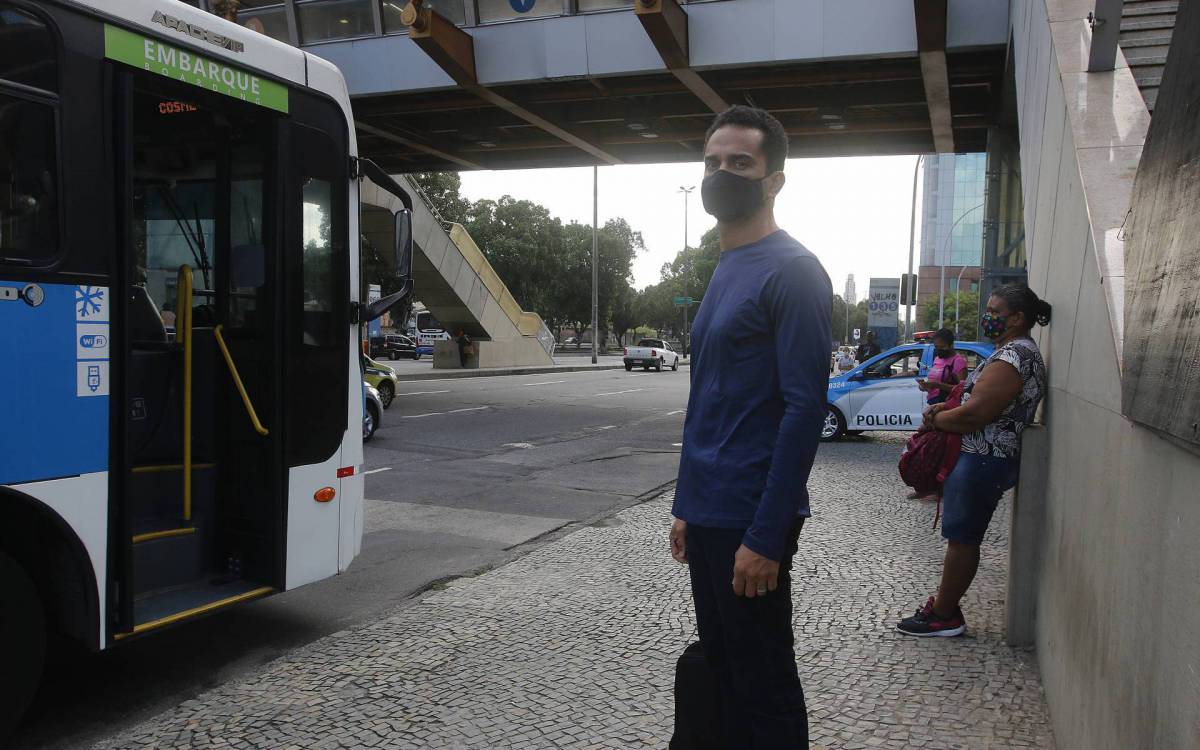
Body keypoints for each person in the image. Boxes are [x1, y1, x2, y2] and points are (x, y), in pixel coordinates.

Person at [669, 105, 831, 747]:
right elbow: (706, 397)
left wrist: (766, 535)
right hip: (708, 512)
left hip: (750, 520)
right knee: (723, 671)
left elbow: (803, 410)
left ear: (774, 180)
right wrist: (686, 503)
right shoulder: (724, 267)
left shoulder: (792, 270)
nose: (722, 173)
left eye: (741, 163)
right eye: (712, 162)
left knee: (764, 684)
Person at [896, 284, 1050, 637]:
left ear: (1017, 318)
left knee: (963, 538)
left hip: (984, 459)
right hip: (981, 457)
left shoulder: (1014, 357)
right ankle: (943, 609)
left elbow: (976, 415)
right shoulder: (1010, 351)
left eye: (996, 312)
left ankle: (945, 615)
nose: (988, 317)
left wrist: (936, 420)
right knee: (960, 536)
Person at [917, 329, 967, 406]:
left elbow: (962, 390)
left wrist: (937, 385)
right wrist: (925, 386)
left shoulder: (958, 361)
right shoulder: (937, 359)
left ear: (951, 345)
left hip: (947, 406)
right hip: (933, 403)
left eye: (942, 347)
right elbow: (935, 383)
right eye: (936, 347)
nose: (939, 350)